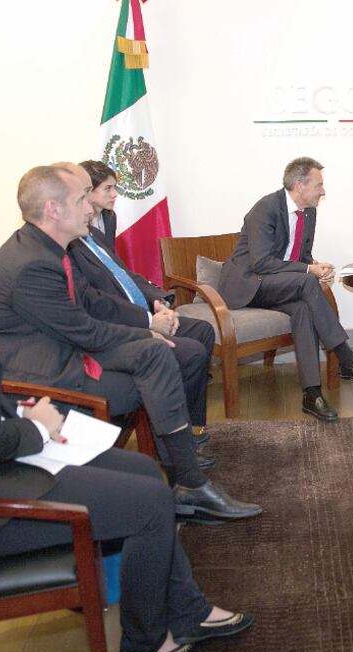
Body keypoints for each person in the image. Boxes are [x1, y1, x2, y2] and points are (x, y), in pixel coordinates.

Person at [0, 184, 253, 652]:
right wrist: (40, 427)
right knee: (151, 501)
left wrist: (26, 417)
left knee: (146, 474)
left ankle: (186, 610)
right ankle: (147, 643)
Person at [0, 164, 260, 523]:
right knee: (156, 355)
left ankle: (187, 480)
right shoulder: (31, 264)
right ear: (53, 210)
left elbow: (90, 306)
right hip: (41, 377)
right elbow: (83, 330)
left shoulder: (49, 248)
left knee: (158, 355)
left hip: (62, 349)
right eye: (81, 200)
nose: (91, 208)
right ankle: (187, 481)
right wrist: (146, 332)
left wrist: (147, 330)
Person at [218, 157, 353, 421]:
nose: (323, 191)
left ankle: (312, 394)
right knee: (307, 282)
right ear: (299, 185)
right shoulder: (265, 209)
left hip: (276, 285)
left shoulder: (309, 211)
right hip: (248, 284)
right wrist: (308, 272)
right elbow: (260, 262)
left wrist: (314, 265)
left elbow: (301, 255)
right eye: (319, 185)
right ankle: (345, 356)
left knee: (303, 309)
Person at [67, 161, 216, 445]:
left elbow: (121, 274)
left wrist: (157, 301)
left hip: (136, 310)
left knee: (202, 331)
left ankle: (191, 424)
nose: (115, 195)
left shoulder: (101, 226)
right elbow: (96, 299)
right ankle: (171, 436)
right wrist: (147, 321)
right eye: (107, 188)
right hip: (114, 325)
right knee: (191, 351)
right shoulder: (69, 246)